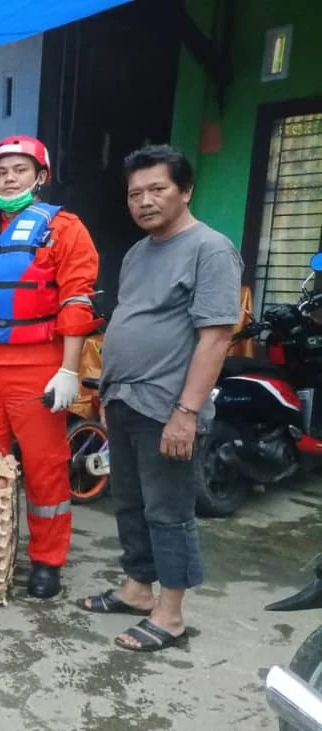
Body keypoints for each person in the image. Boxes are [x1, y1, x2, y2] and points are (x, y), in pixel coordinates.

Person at [78, 145, 242, 651]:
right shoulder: (136, 252)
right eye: (135, 193)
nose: (145, 201)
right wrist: (109, 390)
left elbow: (215, 337)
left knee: (169, 510)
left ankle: (170, 615)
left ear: (185, 190)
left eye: (157, 189)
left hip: (169, 406)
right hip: (126, 399)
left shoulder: (210, 249)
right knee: (129, 502)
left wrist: (187, 413)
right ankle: (136, 589)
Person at [0, 136, 101, 599]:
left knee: (45, 466)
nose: (9, 178)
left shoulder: (65, 229)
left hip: (38, 366)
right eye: (2, 171)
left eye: (20, 170)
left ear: (41, 177)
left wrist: (69, 370)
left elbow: (76, 301)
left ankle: (47, 561)